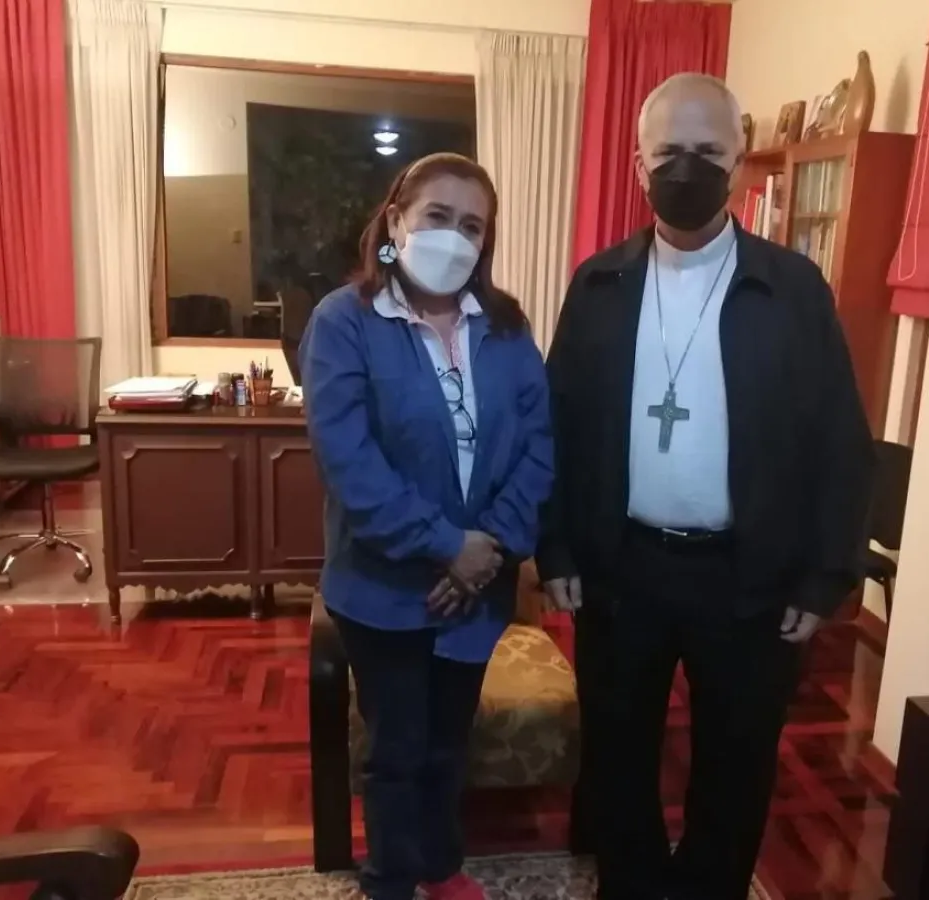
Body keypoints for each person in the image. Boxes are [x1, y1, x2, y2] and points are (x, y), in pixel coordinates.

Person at [538, 74, 874, 900]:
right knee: (619, 754)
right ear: (637, 166)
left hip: (749, 576)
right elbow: (557, 426)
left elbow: (838, 439)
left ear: (739, 164)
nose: (686, 169)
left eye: (708, 151)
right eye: (668, 153)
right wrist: (556, 546)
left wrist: (825, 575)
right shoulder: (598, 285)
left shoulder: (793, 289)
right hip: (622, 568)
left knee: (738, 760)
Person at [300, 152, 553, 900]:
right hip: (383, 587)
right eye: (437, 216)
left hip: (480, 584)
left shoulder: (506, 328)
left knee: (448, 744)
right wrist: (447, 547)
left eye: (472, 225)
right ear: (395, 222)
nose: (454, 236)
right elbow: (350, 463)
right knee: (397, 750)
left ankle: (440, 868)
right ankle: (389, 882)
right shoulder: (343, 322)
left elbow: (541, 446)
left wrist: (489, 550)